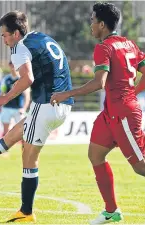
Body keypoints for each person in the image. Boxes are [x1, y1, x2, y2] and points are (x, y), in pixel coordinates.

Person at [0, 11, 74, 222]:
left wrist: (6, 97)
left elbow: (27, 79)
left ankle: (26, 211)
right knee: (10, 140)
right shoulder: (42, 38)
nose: (4, 40)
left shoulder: (19, 48)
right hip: (63, 105)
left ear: (16, 33)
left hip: (46, 106)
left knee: (28, 158)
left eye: (5, 35)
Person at [50, 2, 145, 225]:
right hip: (111, 114)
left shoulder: (104, 47)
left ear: (102, 24)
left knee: (140, 167)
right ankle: (111, 210)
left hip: (122, 114)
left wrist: (66, 94)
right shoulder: (129, 44)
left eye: (92, 20)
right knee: (95, 155)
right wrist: (134, 91)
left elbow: (98, 83)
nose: (90, 24)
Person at [0, 61, 30, 135]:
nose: (13, 67)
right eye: (11, 65)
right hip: (7, 107)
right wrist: (0, 105)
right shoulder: (6, 79)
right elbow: (2, 93)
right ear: (9, 66)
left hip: (18, 108)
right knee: (5, 132)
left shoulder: (22, 79)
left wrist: (24, 108)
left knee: (22, 131)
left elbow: (27, 96)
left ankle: (24, 146)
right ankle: (4, 146)